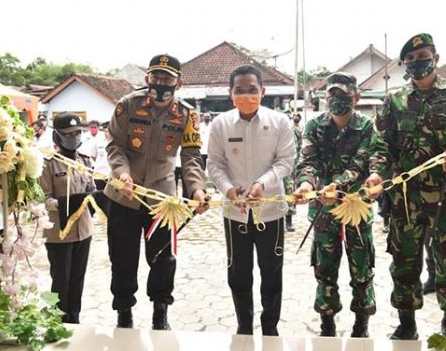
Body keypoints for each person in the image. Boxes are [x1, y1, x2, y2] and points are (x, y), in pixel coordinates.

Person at [374, 33, 446, 340]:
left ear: (436, 58)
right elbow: (382, 145)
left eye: (424, 57)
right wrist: (377, 174)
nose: (418, 63)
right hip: (406, 198)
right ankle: (407, 322)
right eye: (411, 60)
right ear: (404, 64)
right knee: (405, 259)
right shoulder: (393, 101)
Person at [105, 54, 208, 330]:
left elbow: (191, 156)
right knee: (122, 257)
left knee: (163, 259)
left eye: (167, 78)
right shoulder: (127, 106)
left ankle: (160, 312)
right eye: (156, 77)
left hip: (162, 201)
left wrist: (197, 189)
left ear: (179, 83)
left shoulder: (187, 115)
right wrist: (122, 174)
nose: (160, 83)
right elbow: (114, 146)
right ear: (147, 78)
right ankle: (124, 311)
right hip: (123, 195)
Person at [293, 72, 385, 338]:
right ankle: (327, 322)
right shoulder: (314, 127)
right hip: (323, 209)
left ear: (355, 97)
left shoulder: (366, 126)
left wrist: (339, 185)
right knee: (324, 269)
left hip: (356, 207)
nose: (337, 99)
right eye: (332, 94)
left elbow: (360, 163)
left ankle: (361, 323)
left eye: (343, 95)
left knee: (362, 267)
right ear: (325, 97)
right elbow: (308, 161)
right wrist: (307, 185)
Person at [208, 65, 295, 336]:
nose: (246, 96)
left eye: (252, 90)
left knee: (271, 274)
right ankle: (244, 326)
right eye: (240, 91)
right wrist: (227, 189)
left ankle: (270, 327)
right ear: (230, 93)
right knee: (238, 274)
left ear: (263, 91)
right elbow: (214, 164)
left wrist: (262, 184)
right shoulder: (220, 124)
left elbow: (285, 161)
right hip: (235, 213)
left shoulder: (280, 122)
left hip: (271, 210)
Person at [39, 113, 96, 324]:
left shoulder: (85, 161)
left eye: (77, 133)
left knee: (77, 280)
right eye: (69, 134)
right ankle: (59, 321)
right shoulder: (48, 164)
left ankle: (75, 318)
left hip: (83, 231)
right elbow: (42, 199)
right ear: (58, 137)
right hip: (59, 234)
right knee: (61, 281)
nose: (74, 137)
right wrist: (66, 204)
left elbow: (91, 189)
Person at [283, 112, 303, 232]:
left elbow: (298, 149)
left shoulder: (293, 131)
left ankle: (288, 221)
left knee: (289, 192)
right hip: (275, 169)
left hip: (290, 169)